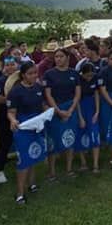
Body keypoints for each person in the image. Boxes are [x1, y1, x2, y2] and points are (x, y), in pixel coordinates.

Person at [6, 62, 47, 204]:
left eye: (35, 73)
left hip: (37, 125)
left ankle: (32, 183)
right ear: (23, 75)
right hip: (23, 126)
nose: (34, 76)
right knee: (23, 160)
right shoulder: (16, 91)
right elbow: (11, 112)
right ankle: (20, 193)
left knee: (33, 155)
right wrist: (12, 120)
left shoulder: (38, 88)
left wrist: (47, 113)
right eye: (30, 73)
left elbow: (42, 105)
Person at [43, 49, 81, 179]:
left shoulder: (74, 73)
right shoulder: (49, 74)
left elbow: (77, 94)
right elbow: (48, 94)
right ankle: (52, 171)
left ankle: (69, 169)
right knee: (52, 140)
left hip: (71, 109)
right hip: (55, 110)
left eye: (61, 56)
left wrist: (70, 110)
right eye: (56, 56)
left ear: (67, 58)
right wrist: (58, 111)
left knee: (70, 138)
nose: (58, 59)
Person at [77, 62, 101, 172]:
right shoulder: (78, 80)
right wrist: (80, 117)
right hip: (81, 108)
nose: (89, 77)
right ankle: (83, 162)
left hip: (92, 107)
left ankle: (95, 164)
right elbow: (76, 99)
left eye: (91, 75)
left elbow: (96, 93)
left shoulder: (95, 78)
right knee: (80, 134)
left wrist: (97, 111)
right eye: (88, 75)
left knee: (95, 133)